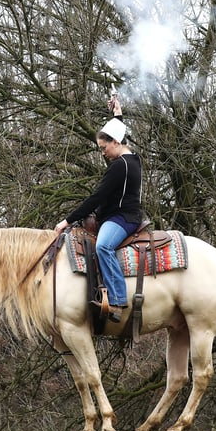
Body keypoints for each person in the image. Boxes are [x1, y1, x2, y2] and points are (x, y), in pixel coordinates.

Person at [54, 95, 143, 322]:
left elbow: (96, 198)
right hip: (118, 214)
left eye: (104, 147)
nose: (102, 152)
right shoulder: (133, 158)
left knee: (103, 246)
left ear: (115, 142)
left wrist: (67, 220)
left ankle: (117, 300)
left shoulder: (119, 168)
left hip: (123, 218)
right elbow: (121, 133)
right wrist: (117, 114)